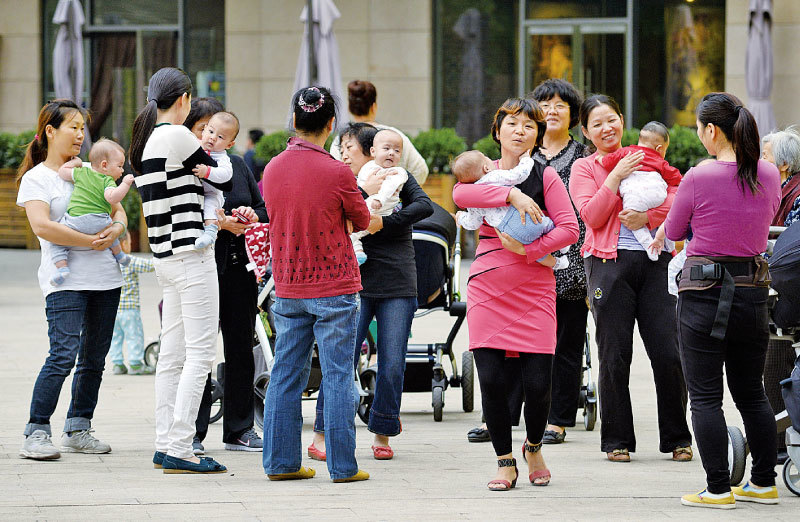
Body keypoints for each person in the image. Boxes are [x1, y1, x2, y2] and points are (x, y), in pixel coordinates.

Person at [660, 93, 781, 509]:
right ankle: (764, 482)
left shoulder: (699, 175)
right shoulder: (768, 172)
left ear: (711, 131)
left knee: (706, 397)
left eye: (699, 128)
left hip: (704, 293)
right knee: (752, 393)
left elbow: (675, 228)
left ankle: (717, 488)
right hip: (753, 292)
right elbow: (770, 216)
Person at [454, 97, 579, 491]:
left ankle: (535, 446)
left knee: (539, 382)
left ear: (537, 135)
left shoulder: (546, 176)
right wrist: (510, 196)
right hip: (489, 286)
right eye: (512, 123)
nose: (520, 130)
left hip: (535, 286)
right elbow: (460, 196)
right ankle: (504, 460)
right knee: (490, 378)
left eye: (529, 125)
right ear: (498, 130)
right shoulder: (482, 172)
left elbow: (569, 229)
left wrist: (529, 250)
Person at [568, 94, 693, 463]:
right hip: (608, 263)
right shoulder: (585, 168)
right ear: (586, 131)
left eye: (612, 120)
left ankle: (676, 437)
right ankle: (617, 440)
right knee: (614, 353)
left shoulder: (647, 155)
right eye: (596, 124)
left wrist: (649, 216)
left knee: (669, 351)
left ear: (622, 120)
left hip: (656, 261)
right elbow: (591, 215)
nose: (606, 128)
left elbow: (679, 196)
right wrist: (617, 177)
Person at [309, 110, 434, 464]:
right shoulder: (343, 180)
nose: (343, 154)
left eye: (349, 147)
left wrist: (385, 222)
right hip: (351, 279)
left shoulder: (399, 175)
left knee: (392, 362)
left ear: (371, 150)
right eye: (341, 147)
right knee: (340, 360)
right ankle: (321, 431)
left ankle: (382, 430)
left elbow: (424, 205)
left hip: (397, 278)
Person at [262, 86, 371, 483]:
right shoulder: (338, 171)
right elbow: (361, 219)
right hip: (334, 285)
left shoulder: (272, 168)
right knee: (338, 374)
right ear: (331, 125)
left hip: (288, 284)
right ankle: (342, 466)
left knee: (285, 374)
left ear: (294, 121)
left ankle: (281, 463)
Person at [129, 67, 231, 474]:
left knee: (172, 355)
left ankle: (166, 442)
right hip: (191, 255)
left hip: (167, 258)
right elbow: (219, 174)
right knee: (200, 353)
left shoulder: (150, 139)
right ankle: (181, 447)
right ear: (185, 99)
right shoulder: (177, 135)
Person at [17, 99, 126, 460]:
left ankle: (79, 427)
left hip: (106, 280)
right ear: (50, 131)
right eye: (73, 127)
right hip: (64, 282)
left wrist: (118, 229)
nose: (81, 135)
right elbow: (43, 227)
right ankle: (36, 430)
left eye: (83, 128)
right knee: (63, 355)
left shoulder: (90, 170)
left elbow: (118, 208)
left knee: (94, 358)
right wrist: (91, 241)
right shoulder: (38, 178)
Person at [185, 97, 267, 454]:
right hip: (201, 266)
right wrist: (221, 222)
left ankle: (239, 429)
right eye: (205, 129)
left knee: (240, 349)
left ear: (230, 140)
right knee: (198, 352)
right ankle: (193, 431)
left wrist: (250, 213)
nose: (209, 137)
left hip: (239, 270)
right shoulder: (188, 165)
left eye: (217, 132)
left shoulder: (237, 165)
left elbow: (263, 210)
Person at [528, 78, 590, 445]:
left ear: (572, 114)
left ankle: (559, 417)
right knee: (522, 342)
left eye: (560, 105)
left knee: (567, 342)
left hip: (573, 262)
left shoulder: (584, 156)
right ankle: (511, 412)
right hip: (526, 262)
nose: (551, 111)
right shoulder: (521, 152)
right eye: (545, 104)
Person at [453, 150, 569, 270]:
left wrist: (460, 217)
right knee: (548, 225)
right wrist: (526, 159)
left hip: (511, 234)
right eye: (486, 157)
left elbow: (473, 223)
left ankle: (557, 263)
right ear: (486, 168)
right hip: (525, 219)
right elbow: (519, 175)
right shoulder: (495, 176)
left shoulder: (473, 200)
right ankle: (562, 246)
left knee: (537, 253)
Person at [50, 139, 133, 285]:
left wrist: (75, 163)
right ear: (104, 165)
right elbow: (112, 198)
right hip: (99, 222)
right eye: (120, 166)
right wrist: (125, 184)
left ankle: (62, 268)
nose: (122, 170)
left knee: (56, 243)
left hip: (75, 222)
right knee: (109, 229)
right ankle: (119, 255)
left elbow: (63, 172)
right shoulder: (107, 181)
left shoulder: (82, 173)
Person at [598, 121, 682, 260]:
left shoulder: (626, 152)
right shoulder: (660, 161)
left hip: (634, 198)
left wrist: (600, 159)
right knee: (665, 217)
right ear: (660, 148)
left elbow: (607, 162)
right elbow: (676, 178)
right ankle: (669, 245)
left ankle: (649, 246)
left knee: (634, 223)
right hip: (657, 196)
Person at [330, 80, 429, 185]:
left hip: (354, 199)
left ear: (350, 108)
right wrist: (402, 192)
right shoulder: (393, 135)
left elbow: (334, 175)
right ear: (373, 107)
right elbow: (420, 169)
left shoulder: (341, 140)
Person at [350, 129, 408, 265]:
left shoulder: (398, 172)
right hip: (366, 208)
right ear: (373, 152)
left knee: (353, 231)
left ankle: (357, 252)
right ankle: (358, 252)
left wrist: (379, 199)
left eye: (397, 151)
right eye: (386, 148)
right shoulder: (368, 167)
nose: (391, 153)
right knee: (351, 231)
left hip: (382, 210)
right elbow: (360, 184)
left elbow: (390, 186)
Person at [109, 233, 155, 375]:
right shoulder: (129, 260)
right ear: (123, 244)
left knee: (115, 337)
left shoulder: (109, 263)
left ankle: (117, 364)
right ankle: (135, 364)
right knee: (134, 335)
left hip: (113, 310)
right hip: (130, 310)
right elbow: (149, 265)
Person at [192, 111, 238, 249]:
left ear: (229, 145)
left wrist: (208, 172)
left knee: (210, 208)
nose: (212, 138)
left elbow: (226, 174)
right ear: (205, 129)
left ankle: (210, 234)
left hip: (213, 193)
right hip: (197, 191)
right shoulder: (195, 143)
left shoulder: (222, 157)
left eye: (220, 137)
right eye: (211, 131)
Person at [761, 126, 800, 226]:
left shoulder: (797, 197)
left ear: (784, 165)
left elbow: (791, 238)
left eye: (765, 156)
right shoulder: (768, 188)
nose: (760, 162)